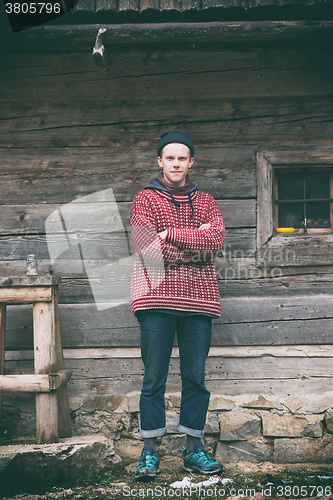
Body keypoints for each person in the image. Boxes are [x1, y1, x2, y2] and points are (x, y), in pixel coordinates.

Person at [130, 131, 225, 482]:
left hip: (199, 303)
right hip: (155, 300)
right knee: (153, 379)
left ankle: (193, 450)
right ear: (160, 161)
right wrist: (193, 242)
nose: (176, 163)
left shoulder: (207, 200)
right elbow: (146, 250)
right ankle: (150, 452)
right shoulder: (144, 200)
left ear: (190, 162)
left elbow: (214, 241)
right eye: (169, 158)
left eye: (182, 158)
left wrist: (169, 234)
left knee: (195, 379)